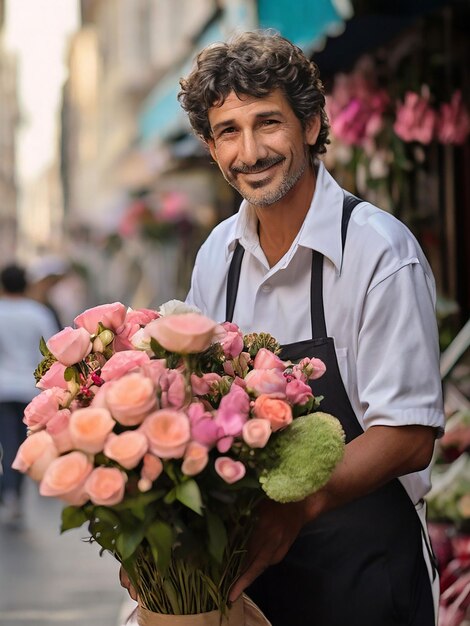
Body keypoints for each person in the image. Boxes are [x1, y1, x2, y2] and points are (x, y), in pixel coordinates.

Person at [176, 31, 445, 626]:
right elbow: (199, 405)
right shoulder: (217, 255)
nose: (250, 151)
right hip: (256, 582)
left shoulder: (378, 251)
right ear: (211, 146)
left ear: (312, 124)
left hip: (367, 576)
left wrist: (300, 507)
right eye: (228, 131)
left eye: (268, 123)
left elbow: (408, 433)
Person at [0, 263, 58, 525]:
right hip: (29, 389)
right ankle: (13, 492)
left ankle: (10, 492)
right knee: (24, 444)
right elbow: (52, 350)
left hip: (2, 388)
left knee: (7, 442)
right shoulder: (38, 313)